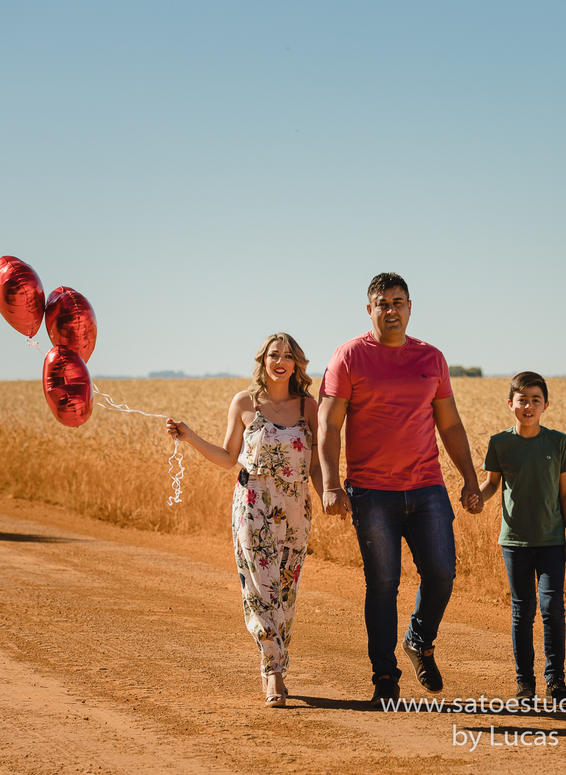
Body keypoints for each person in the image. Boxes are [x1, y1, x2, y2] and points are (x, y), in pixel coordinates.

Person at [318, 272, 481, 706]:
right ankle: (385, 679)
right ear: (369, 309)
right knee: (382, 584)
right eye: (382, 303)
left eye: (399, 302)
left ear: (410, 307)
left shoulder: (432, 357)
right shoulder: (349, 356)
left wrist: (468, 478)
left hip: (428, 488)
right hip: (372, 493)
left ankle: (419, 640)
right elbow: (329, 424)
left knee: (442, 572)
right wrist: (332, 483)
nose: (391, 310)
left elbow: (449, 423)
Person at [166, 333, 322, 708]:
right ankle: (273, 673)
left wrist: (331, 493)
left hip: (296, 505)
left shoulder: (308, 407)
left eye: (288, 356)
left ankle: (277, 661)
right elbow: (227, 456)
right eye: (274, 355)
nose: (280, 361)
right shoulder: (244, 403)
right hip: (252, 501)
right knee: (259, 588)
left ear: (297, 364)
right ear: (263, 360)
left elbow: (317, 464)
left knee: (285, 591)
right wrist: (189, 437)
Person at [476, 371, 566, 703]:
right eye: (522, 400)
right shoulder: (500, 443)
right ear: (511, 404)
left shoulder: (557, 442)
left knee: (552, 608)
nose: (529, 406)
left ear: (545, 405)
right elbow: (492, 483)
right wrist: (477, 497)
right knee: (522, 611)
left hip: (552, 542)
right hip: (515, 543)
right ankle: (525, 684)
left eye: (536, 400)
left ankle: (556, 681)